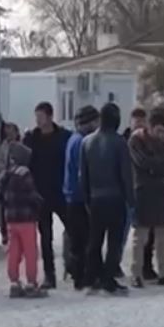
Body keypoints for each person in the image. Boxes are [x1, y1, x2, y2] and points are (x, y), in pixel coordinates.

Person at [128, 108, 164, 288]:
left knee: (163, 235)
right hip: (143, 191)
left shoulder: (163, 143)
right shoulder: (136, 140)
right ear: (150, 127)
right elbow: (142, 162)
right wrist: (159, 165)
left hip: (160, 191)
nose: (161, 134)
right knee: (140, 236)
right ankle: (136, 273)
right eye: (159, 130)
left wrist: (156, 166)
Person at [80, 102, 133, 296]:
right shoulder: (119, 142)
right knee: (114, 242)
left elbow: (82, 175)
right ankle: (108, 280)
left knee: (94, 240)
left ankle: (90, 278)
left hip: (95, 198)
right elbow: (126, 174)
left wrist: (86, 199)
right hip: (115, 197)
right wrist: (131, 199)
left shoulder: (87, 142)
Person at [23, 102, 72, 288]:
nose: (38, 120)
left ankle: (73, 266)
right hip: (40, 194)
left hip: (61, 192)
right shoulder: (31, 139)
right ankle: (49, 275)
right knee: (45, 237)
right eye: (36, 117)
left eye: (41, 117)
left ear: (50, 117)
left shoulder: (64, 137)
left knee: (74, 230)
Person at [0, 142, 46, 298]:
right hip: (27, 219)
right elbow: (32, 195)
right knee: (30, 251)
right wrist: (40, 203)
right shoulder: (25, 174)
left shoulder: (4, 174)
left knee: (14, 251)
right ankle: (31, 282)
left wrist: (8, 206)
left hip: (11, 219)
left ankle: (14, 282)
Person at [63, 105, 99, 290]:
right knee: (83, 240)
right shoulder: (81, 142)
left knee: (79, 239)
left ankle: (81, 274)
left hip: (73, 196)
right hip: (79, 198)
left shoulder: (74, 139)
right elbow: (82, 172)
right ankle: (82, 277)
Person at [119, 108, 148, 278]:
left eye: (142, 121)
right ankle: (116, 263)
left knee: (144, 231)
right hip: (126, 191)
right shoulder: (123, 141)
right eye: (136, 121)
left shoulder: (147, 140)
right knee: (122, 231)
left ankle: (144, 266)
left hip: (142, 190)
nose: (139, 125)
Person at [0, 121, 26, 246]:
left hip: (19, 179)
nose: (9, 134)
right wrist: (5, 171)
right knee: (5, 208)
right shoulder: (3, 146)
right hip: (6, 179)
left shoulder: (22, 145)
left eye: (11, 131)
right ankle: (5, 233)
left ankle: (18, 234)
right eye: (7, 132)